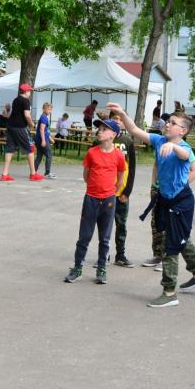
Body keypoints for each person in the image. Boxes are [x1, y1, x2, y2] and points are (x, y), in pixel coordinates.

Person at [106, 103, 195, 308]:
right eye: (168, 121)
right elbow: (135, 130)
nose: (167, 124)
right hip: (164, 198)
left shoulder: (184, 147)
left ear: (183, 131)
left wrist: (174, 147)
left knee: (171, 244)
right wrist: (122, 114)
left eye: (173, 123)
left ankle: (169, 292)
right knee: (179, 238)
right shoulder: (159, 140)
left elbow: (185, 156)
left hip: (181, 202)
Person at [64, 117, 127, 285]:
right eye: (99, 128)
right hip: (91, 199)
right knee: (84, 237)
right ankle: (77, 268)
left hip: (109, 200)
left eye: (104, 129)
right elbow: (86, 175)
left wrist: (110, 192)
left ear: (113, 134)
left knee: (105, 238)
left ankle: (101, 268)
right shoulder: (92, 152)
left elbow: (120, 178)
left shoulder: (119, 156)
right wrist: (94, 189)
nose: (100, 131)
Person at [0, 84, 41, 182]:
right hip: (20, 127)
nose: (30, 93)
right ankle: (33, 174)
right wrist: (32, 124)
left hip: (10, 126)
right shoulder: (26, 101)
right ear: (26, 92)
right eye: (29, 91)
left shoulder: (16, 100)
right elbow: (27, 115)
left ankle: (5, 174)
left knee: (10, 149)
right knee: (30, 149)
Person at [112, 113, 138, 267]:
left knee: (121, 225)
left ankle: (120, 255)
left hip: (121, 192)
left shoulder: (127, 141)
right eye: (114, 119)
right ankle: (103, 255)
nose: (117, 121)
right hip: (105, 192)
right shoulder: (100, 140)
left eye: (120, 119)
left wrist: (127, 191)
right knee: (104, 226)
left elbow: (132, 168)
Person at [34, 102, 55, 179]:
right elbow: (41, 129)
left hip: (40, 139)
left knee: (39, 156)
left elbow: (46, 130)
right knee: (49, 155)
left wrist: (50, 138)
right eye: (48, 109)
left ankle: (33, 172)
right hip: (42, 140)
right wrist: (43, 140)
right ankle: (47, 173)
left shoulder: (44, 117)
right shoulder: (44, 118)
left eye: (51, 109)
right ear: (43, 109)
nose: (50, 111)